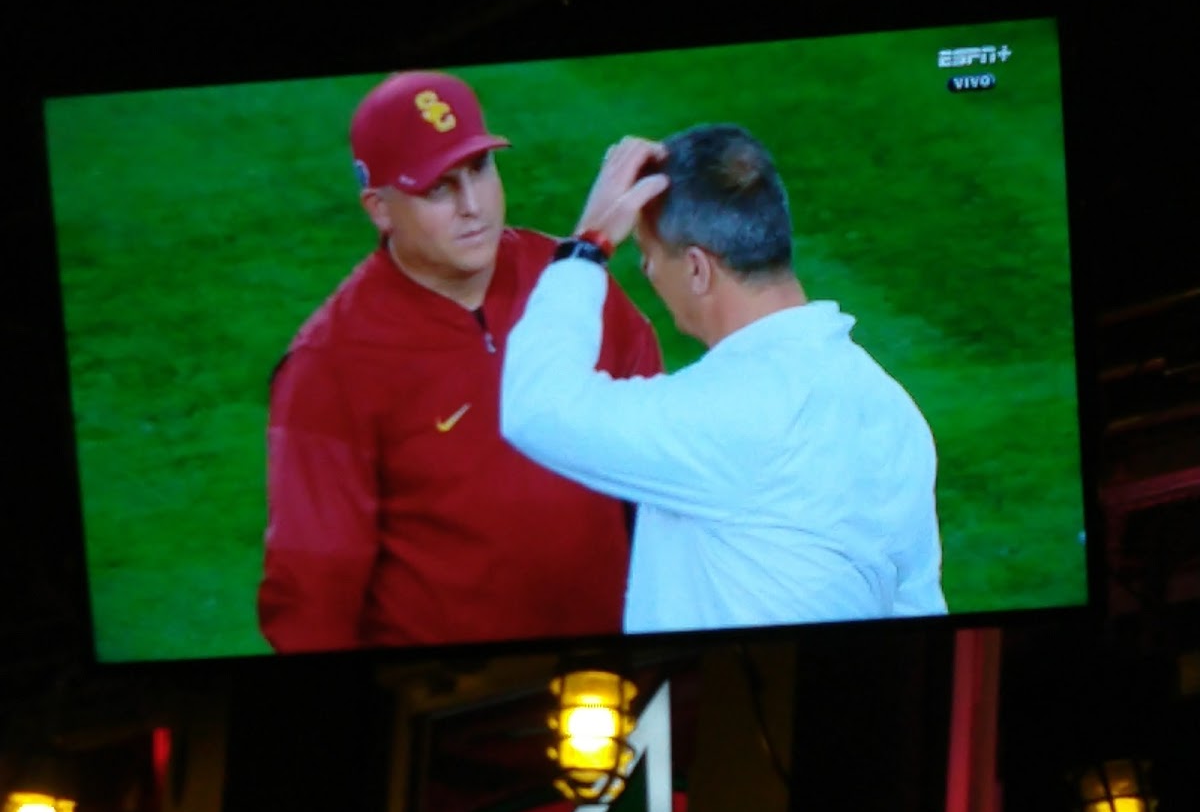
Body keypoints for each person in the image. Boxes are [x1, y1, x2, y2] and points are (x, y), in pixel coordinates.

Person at [259, 73, 661, 653]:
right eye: (438, 188)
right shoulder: (330, 365)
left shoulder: (570, 280)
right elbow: (312, 593)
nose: (474, 207)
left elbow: (658, 468)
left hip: (615, 669)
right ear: (380, 209)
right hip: (461, 696)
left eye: (480, 169)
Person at [500, 127, 948, 633]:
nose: (647, 271)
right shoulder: (892, 407)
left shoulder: (728, 414)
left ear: (697, 270)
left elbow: (537, 407)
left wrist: (588, 245)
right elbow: (916, 603)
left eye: (648, 255)